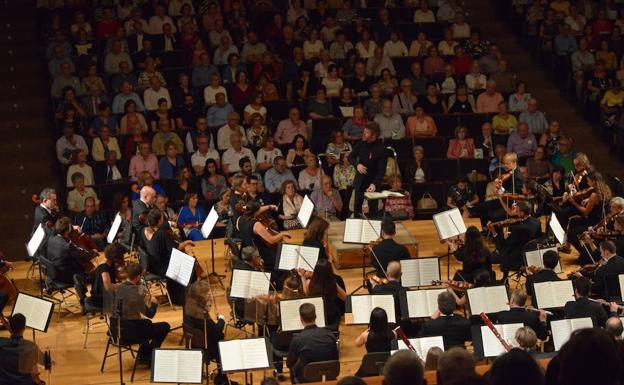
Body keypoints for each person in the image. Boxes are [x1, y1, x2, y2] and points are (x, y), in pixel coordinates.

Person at [113, 263, 171, 366]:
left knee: (146, 323)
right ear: (139, 276)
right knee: (164, 326)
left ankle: (144, 354)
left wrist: (141, 289)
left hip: (116, 330)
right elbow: (150, 314)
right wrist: (154, 303)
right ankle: (147, 356)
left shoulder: (120, 287)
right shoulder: (135, 293)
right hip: (129, 333)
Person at [141, 209, 194, 305]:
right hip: (163, 268)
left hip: (152, 266)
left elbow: (142, 248)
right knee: (189, 264)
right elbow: (176, 248)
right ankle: (180, 298)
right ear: (159, 221)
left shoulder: (143, 231)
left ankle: (174, 294)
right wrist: (187, 242)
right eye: (162, 218)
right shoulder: (161, 234)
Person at [183, 279, 229, 385]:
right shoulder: (202, 316)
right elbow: (216, 330)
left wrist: (206, 308)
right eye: (208, 293)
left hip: (195, 343)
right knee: (222, 340)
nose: (210, 295)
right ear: (201, 297)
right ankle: (222, 378)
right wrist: (221, 319)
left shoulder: (189, 306)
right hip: (209, 347)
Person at [286, 303, 339, 383]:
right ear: (316, 316)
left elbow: (289, 364)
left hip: (306, 378)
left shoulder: (297, 339)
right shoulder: (330, 335)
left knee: (293, 367)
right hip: (328, 375)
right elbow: (335, 358)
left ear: (301, 319)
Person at [488, 201, 542, 278]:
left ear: (523, 213)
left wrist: (494, 233)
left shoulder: (517, 228)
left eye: (517, 211)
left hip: (517, 257)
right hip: (530, 253)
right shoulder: (537, 221)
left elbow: (503, 245)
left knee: (490, 257)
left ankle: (504, 279)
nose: (515, 213)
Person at [237, 201, 290, 272]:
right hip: (259, 254)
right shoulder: (256, 225)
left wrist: (269, 206)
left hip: (248, 250)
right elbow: (271, 240)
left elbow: (257, 210)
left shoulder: (239, 219)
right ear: (256, 212)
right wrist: (281, 234)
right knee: (280, 256)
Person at [349, 123, 387, 217]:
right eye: (364, 131)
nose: (363, 134)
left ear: (374, 135)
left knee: (373, 210)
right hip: (360, 179)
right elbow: (351, 157)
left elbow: (381, 170)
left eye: (366, 132)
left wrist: (374, 183)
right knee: (357, 208)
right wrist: (357, 165)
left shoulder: (381, 148)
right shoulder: (361, 143)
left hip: (372, 182)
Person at [0, 313, 44, 385]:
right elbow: (46, 362)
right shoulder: (31, 347)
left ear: (9, 327)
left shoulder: (1, 343)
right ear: (24, 327)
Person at [354, 307, 396, 377]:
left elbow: (357, 344)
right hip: (388, 365)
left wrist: (365, 332)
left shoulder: (366, 335)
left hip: (370, 365)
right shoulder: (394, 333)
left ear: (372, 321)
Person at [90, 243, 126, 309]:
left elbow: (119, 277)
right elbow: (108, 287)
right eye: (122, 255)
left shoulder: (111, 264)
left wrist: (133, 274)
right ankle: (122, 318)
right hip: (101, 299)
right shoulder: (104, 268)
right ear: (117, 256)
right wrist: (123, 285)